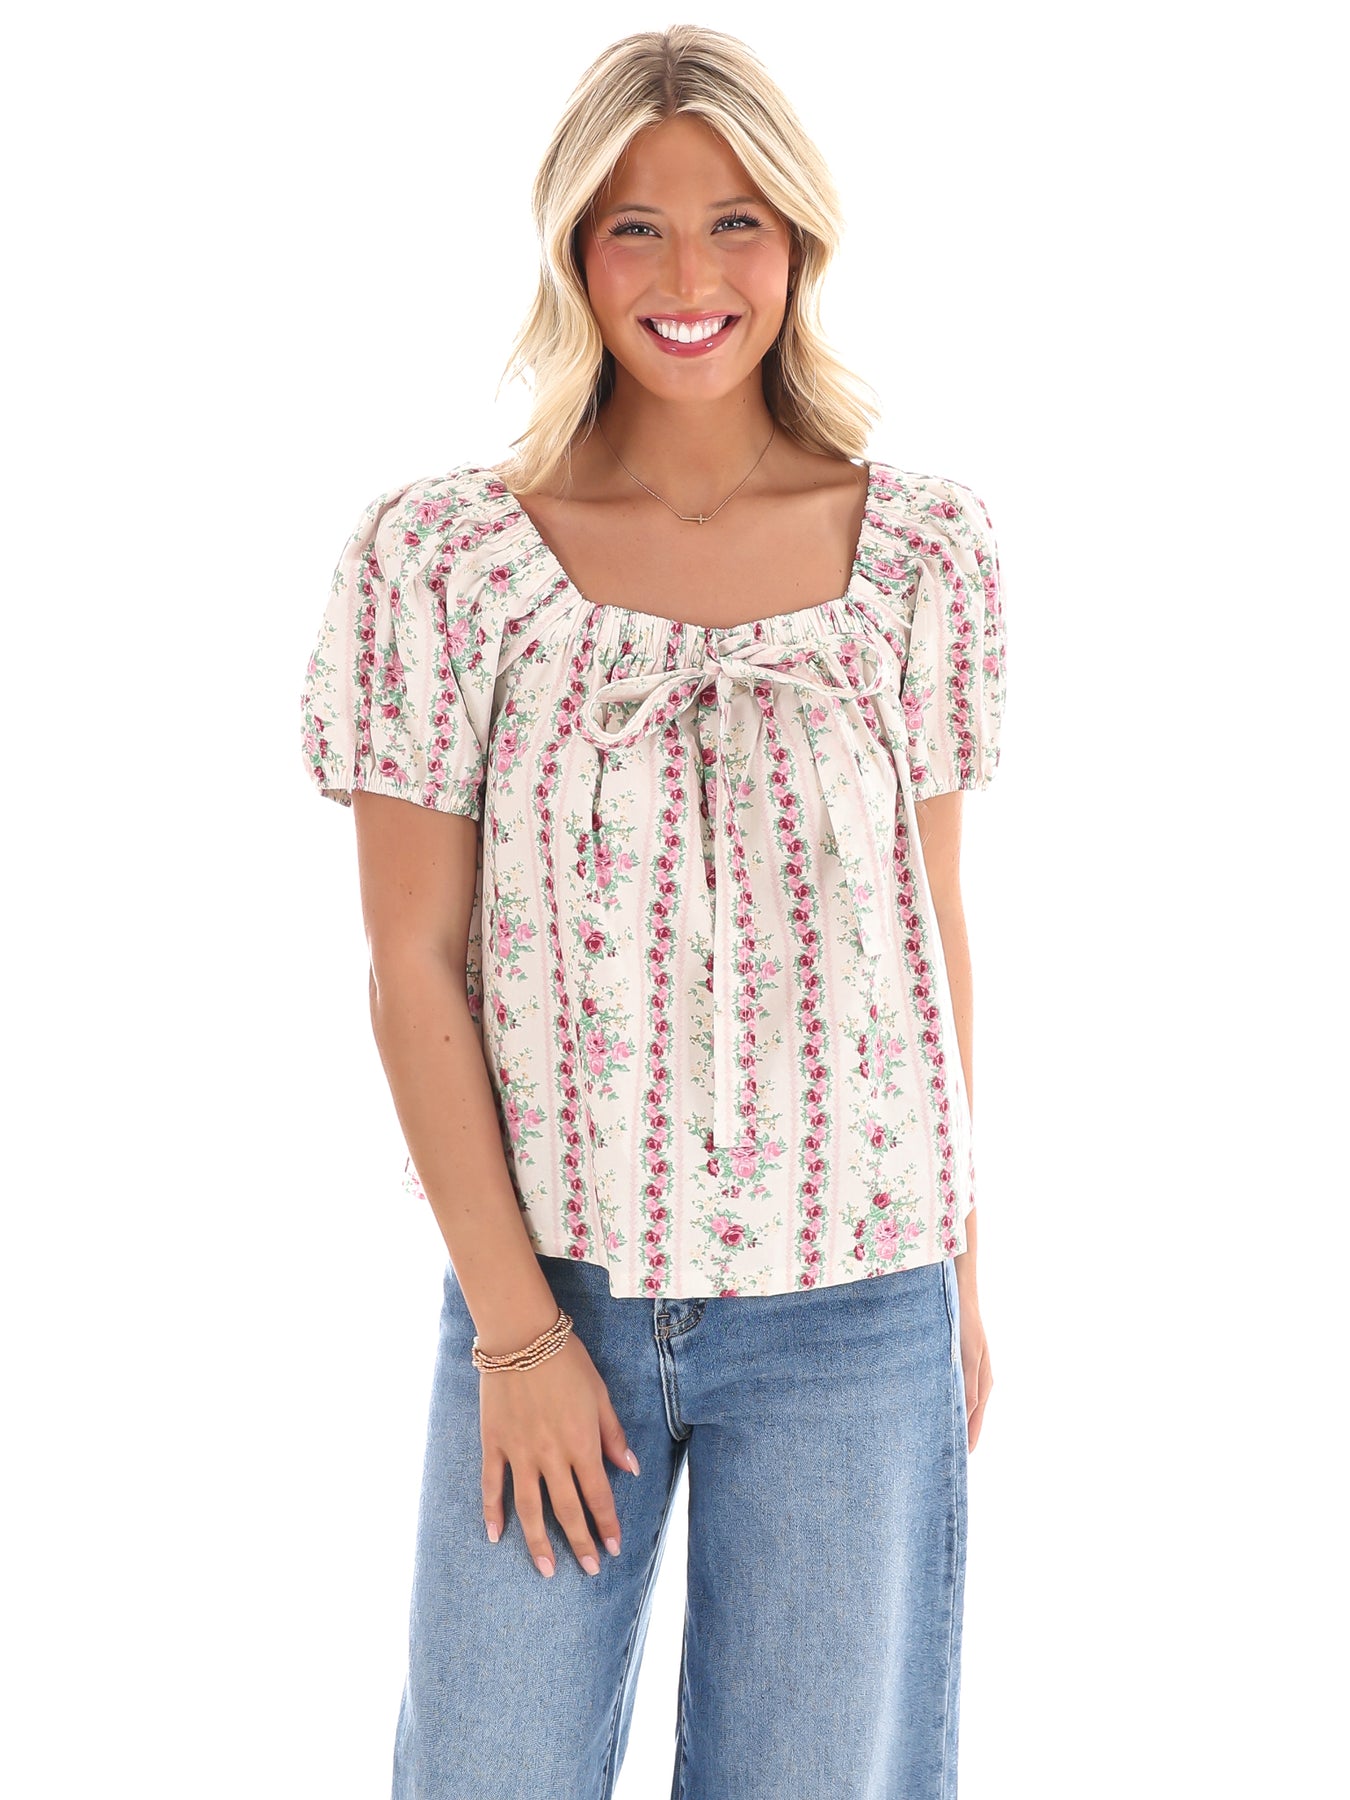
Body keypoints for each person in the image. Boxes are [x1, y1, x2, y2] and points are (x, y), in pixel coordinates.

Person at [299, 23, 1007, 1800]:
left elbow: (928, 934)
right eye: (636, 227)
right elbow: (409, 961)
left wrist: (960, 1283)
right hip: (557, 1291)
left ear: (799, 241)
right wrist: (519, 1330)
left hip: (858, 1305)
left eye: (734, 222)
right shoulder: (442, 561)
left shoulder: (921, 553)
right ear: (571, 248)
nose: (690, 279)